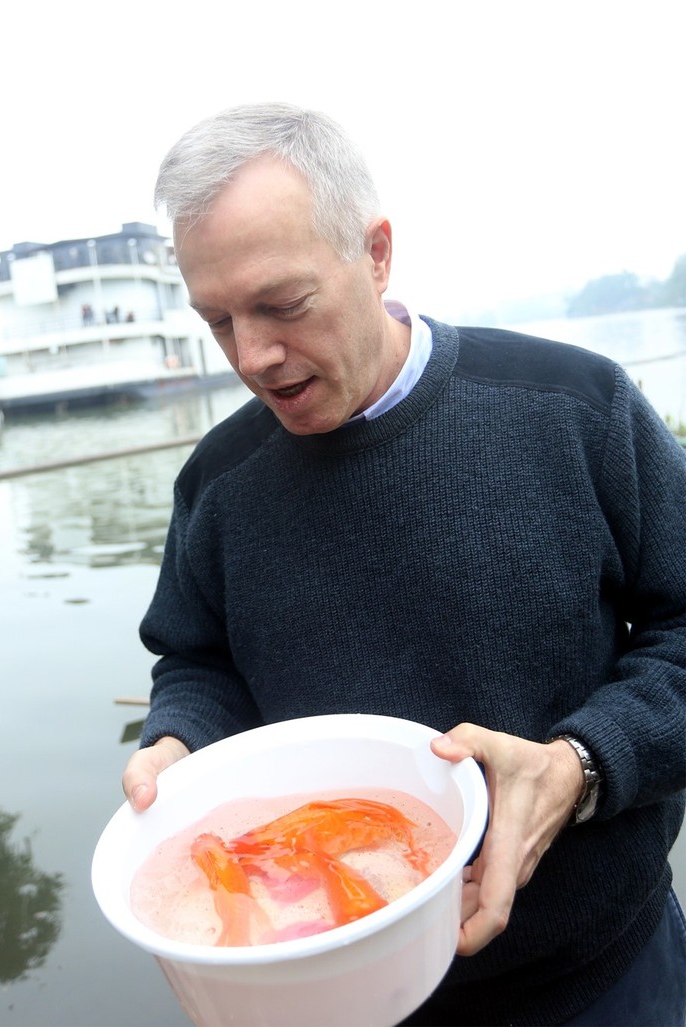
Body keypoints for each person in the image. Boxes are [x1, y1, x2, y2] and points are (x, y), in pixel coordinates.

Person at [122, 103, 686, 1026]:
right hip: (331, 990)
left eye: (282, 304)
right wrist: (178, 741)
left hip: (605, 978)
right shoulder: (219, 486)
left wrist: (582, 763)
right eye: (218, 320)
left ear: (376, 252)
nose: (253, 355)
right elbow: (199, 660)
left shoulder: (574, 410)